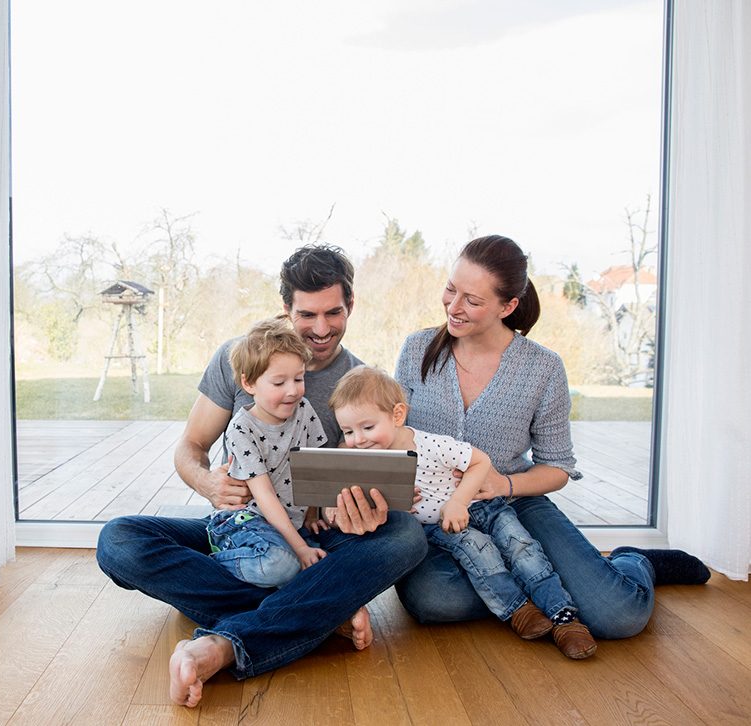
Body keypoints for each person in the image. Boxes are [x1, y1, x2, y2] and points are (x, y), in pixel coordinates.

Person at [96, 244, 428, 708]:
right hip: (236, 531)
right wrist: (208, 483)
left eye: (333, 312)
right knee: (119, 540)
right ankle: (318, 607)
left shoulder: (359, 381)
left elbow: (353, 480)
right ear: (286, 309)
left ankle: (233, 638)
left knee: (407, 536)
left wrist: (359, 509)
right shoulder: (240, 360)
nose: (320, 328)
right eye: (306, 314)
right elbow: (190, 449)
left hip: (311, 533)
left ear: (350, 305)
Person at [393, 235, 710, 638]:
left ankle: (633, 560)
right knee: (435, 601)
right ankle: (538, 581)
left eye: (472, 300)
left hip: (516, 500)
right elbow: (391, 434)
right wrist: (397, 489)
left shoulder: (542, 368)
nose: (453, 307)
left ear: (508, 306)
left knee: (619, 616)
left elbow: (557, 468)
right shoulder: (417, 349)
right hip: (438, 514)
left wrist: (501, 484)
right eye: (451, 289)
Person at [329, 365, 598, 659]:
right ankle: (518, 610)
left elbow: (480, 462)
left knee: (522, 548)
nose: (358, 439)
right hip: (441, 527)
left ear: (397, 415)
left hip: (484, 507)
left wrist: (458, 501)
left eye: (367, 428)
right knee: (480, 553)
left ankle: (564, 616)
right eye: (348, 431)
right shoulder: (367, 462)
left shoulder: (431, 445)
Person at [206, 317, 328, 587]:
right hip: (247, 522)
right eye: (279, 383)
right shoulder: (241, 429)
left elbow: (313, 465)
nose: (293, 391)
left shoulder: (304, 409)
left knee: (315, 567)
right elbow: (265, 497)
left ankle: (265, 584)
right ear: (249, 384)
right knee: (281, 564)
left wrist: (312, 513)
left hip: (287, 526)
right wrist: (300, 548)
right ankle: (213, 561)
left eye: (299, 378)